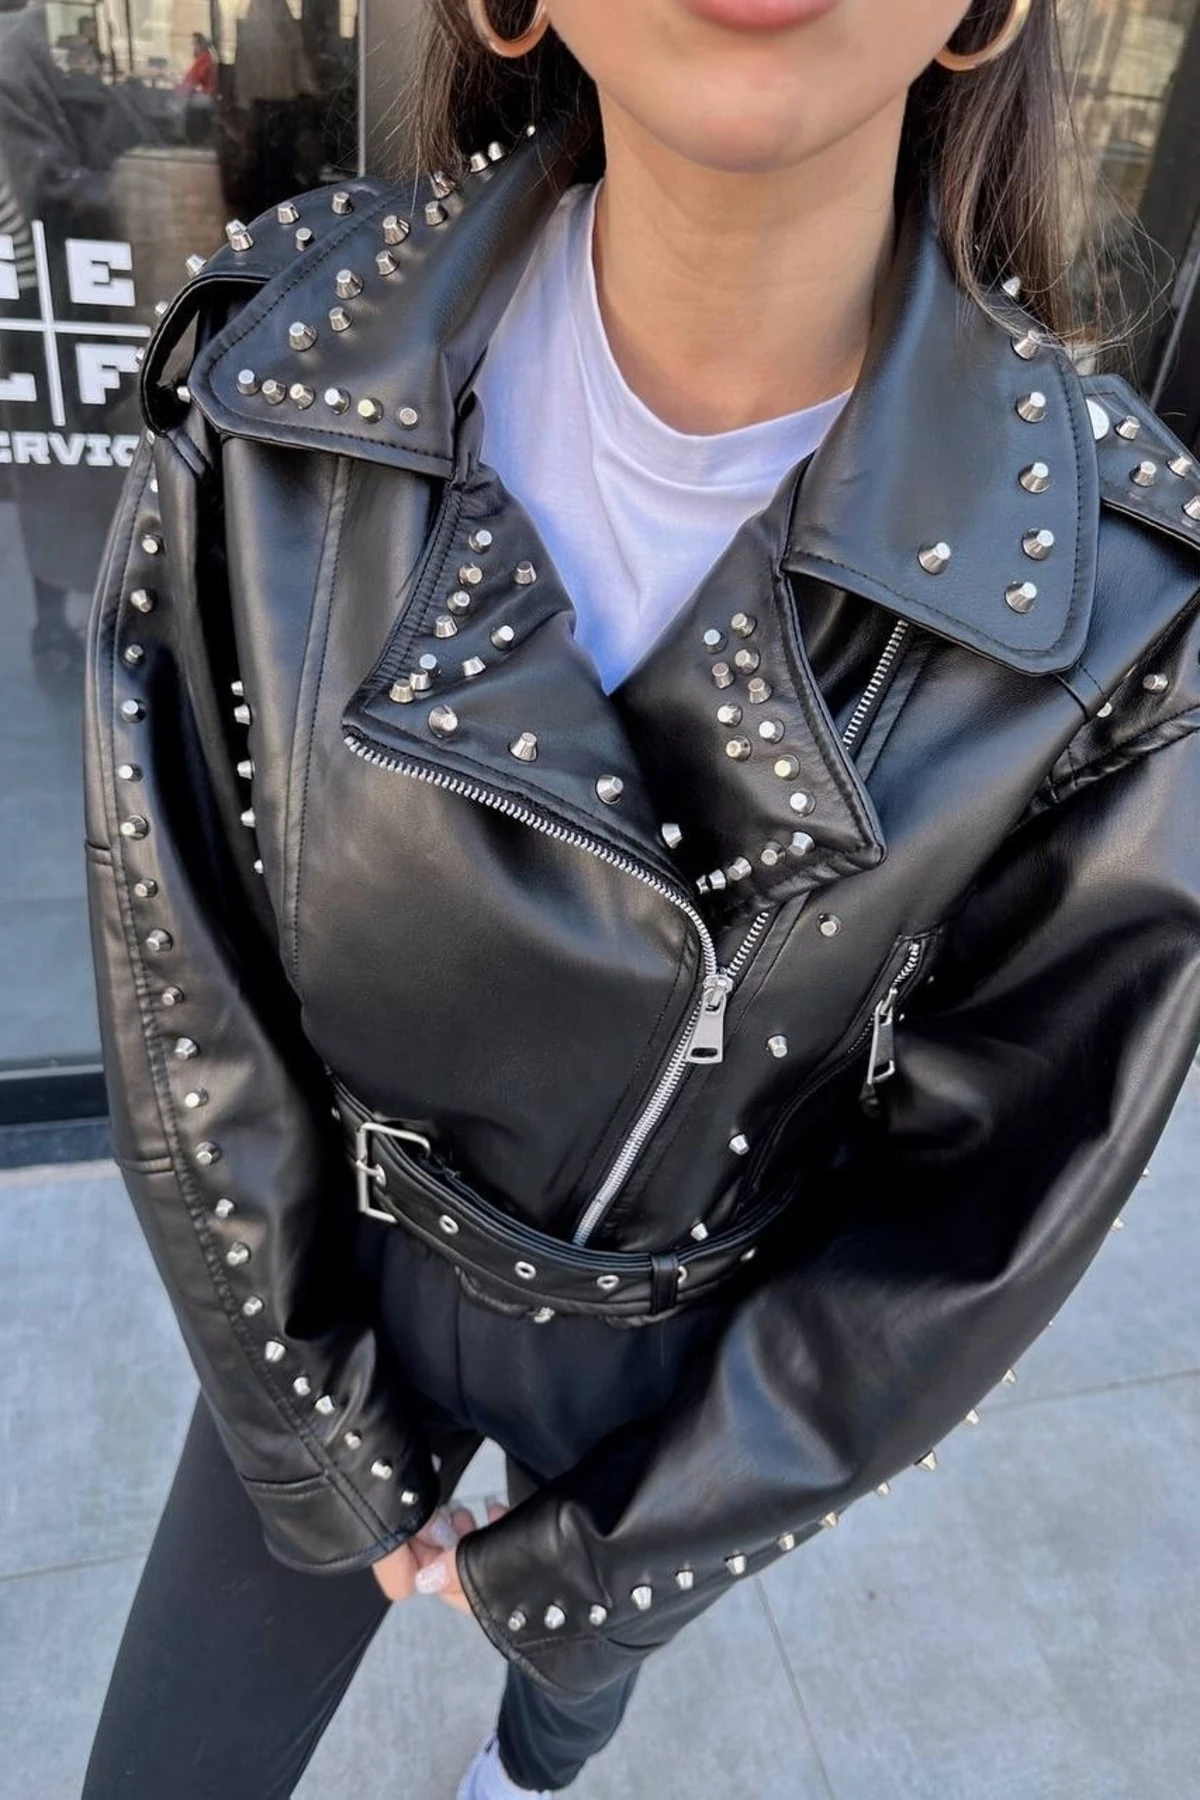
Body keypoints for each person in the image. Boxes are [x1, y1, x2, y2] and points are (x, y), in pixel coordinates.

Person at [79, 1, 1200, 1796]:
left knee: (566, 1693)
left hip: (674, 1362)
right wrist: (313, 1432)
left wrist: (617, 1565)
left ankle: (532, 1768)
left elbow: (976, 1219)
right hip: (326, 1270)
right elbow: (179, 961)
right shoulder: (282, 358)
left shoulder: (1110, 603)